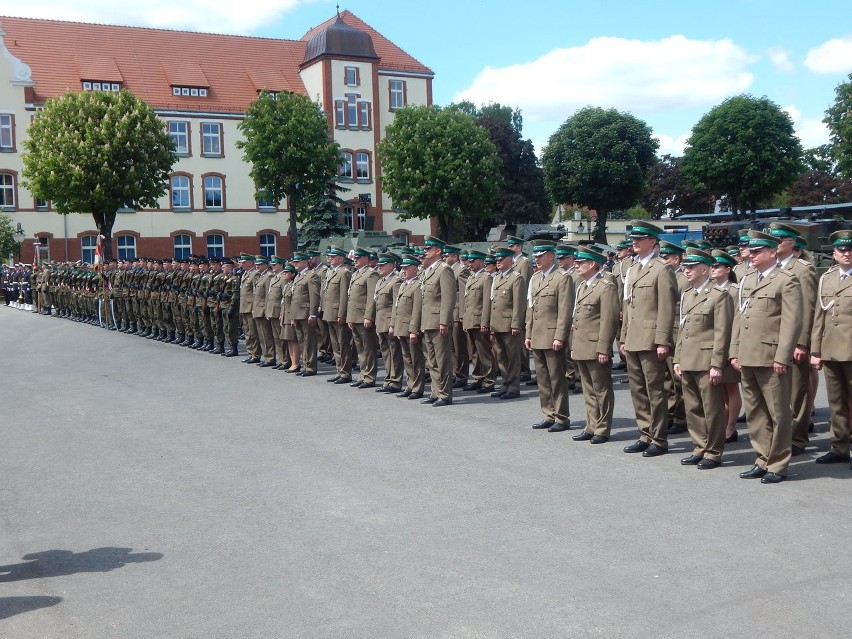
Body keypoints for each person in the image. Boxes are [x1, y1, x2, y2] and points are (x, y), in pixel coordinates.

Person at [730, 231, 802, 484]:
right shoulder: (749, 278)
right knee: (756, 412)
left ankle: (778, 463)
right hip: (748, 354)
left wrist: (782, 356)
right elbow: (741, 318)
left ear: (773, 252)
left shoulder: (786, 280)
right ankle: (762, 458)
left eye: (757, 251)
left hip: (771, 357)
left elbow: (792, 322)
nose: (751, 255)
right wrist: (734, 351)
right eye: (751, 251)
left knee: (778, 412)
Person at [619, 221, 678, 457]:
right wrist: (623, 337)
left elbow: (666, 308)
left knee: (655, 390)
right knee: (638, 390)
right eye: (634, 238)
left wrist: (663, 340)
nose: (635, 242)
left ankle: (658, 438)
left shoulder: (662, 269)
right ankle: (644, 433)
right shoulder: (633, 269)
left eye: (640, 239)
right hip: (633, 337)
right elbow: (629, 306)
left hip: (651, 339)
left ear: (653, 241)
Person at [673, 249, 734, 470]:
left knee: (712, 409)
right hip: (688, 357)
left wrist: (717, 365)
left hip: (706, 360)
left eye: (691, 266)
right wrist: (677, 358)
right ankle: (699, 447)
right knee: (693, 408)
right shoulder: (688, 294)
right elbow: (683, 329)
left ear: (704, 269)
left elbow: (722, 333)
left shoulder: (719, 295)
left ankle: (714, 451)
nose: (686, 270)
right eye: (686, 266)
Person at [768, 222, 817, 456]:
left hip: (794, 339)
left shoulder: (802, 269)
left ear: (792, 244)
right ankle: (778, 437)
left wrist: (802, 342)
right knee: (777, 393)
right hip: (772, 340)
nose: (776, 245)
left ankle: (797, 437)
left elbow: (807, 308)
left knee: (797, 390)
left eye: (780, 240)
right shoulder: (770, 268)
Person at [810, 230, 852, 468]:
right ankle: (839, 447)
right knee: (836, 401)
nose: (846, 254)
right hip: (832, 349)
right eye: (842, 250)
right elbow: (820, 317)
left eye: (850, 250)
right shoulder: (827, 278)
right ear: (834, 254)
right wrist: (816, 350)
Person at [569, 247, 620, 444]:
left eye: (581, 262)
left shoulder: (605, 286)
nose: (576, 265)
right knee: (588, 388)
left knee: (601, 389)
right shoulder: (582, 286)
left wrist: (604, 348)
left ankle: (603, 428)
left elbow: (609, 320)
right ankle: (591, 425)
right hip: (581, 344)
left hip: (595, 346)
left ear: (592, 264)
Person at [525, 241, 574, 431]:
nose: (536, 259)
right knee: (542, 378)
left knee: (556, 378)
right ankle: (548, 413)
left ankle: (561, 417)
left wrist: (560, 336)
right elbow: (531, 309)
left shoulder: (562, 278)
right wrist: (528, 333)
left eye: (540, 255)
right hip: (537, 335)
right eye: (535, 256)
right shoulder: (535, 278)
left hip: (552, 335)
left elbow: (565, 310)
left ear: (551, 256)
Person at [484, 246, 527, 401]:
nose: (498, 262)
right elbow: (492, 303)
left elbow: (518, 304)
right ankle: (505, 384)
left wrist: (516, 324)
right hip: (497, 324)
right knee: (501, 357)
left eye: (501, 259)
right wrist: (490, 325)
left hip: (509, 325)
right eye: (497, 259)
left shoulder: (516, 278)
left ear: (510, 260)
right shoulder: (497, 278)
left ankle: (514, 387)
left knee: (512, 357)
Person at [419, 236, 457, 407]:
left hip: (437, 322)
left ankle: (445, 393)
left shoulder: (444, 270)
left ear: (438, 251)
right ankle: (435, 391)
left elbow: (448, 299)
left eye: (428, 248)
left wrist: (444, 321)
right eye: (425, 249)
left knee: (442, 360)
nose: (425, 251)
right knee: (431, 361)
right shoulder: (428, 270)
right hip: (427, 321)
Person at [709, 250, 742, 442]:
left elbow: (736, 320)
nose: (713, 270)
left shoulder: (735, 290)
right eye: (712, 266)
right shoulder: (711, 289)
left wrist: (733, 349)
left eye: (717, 266)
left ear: (727, 269)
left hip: (729, 343)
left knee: (730, 388)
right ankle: (721, 424)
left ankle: (730, 428)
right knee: (717, 389)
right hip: (713, 344)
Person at [461, 250, 496, 394]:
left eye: (473, 261)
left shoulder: (486, 278)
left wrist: (484, 322)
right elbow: (467, 300)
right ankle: (477, 378)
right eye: (469, 261)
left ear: (481, 261)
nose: (470, 264)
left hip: (479, 320)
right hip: (470, 319)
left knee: (484, 352)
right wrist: (464, 319)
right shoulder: (471, 278)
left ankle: (489, 381)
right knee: (474, 352)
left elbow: (487, 302)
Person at [390, 257, 425, 399]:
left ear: (415, 268)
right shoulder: (404, 285)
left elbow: (417, 310)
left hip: (410, 328)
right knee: (407, 359)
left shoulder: (417, 285)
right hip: (401, 327)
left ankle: (418, 387)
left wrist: (413, 329)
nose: (402, 271)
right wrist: (393, 325)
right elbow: (396, 307)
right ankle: (410, 385)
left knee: (416, 359)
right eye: (402, 268)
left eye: (406, 268)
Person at [346, 248, 379, 388]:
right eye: (355, 258)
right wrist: (349, 317)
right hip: (354, 316)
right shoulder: (355, 274)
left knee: (368, 348)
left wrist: (368, 316)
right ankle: (363, 374)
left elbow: (372, 297)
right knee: (360, 348)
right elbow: (351, 298)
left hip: (363, 317)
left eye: (358, 258)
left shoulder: (371, 274)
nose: (355, 260)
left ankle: (369, 377)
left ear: (366, 259)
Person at [321, 246, 353, 384]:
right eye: (329, 257)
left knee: (343, 343)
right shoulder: (330, 272)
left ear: (341, 258)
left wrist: (342, 313)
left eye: (332, 257)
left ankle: (345, 373)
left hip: (337, 313)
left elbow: (344, 296)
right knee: (335, 344)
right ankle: (339, 370)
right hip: (329, 312)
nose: (329, 259)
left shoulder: (343, 273)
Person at [373, 254, 403, 393]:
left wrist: (393, 324)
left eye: (382, 265)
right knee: (385, 352)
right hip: (380, 321)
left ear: (391, 266)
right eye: (378, 265)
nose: (379, 268)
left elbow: (396, 305)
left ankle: (396, 382)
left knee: (394, 352)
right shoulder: (380, 281)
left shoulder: (396, 281)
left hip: (389, 321)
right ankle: (388, 379)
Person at [290, 252, 321, 377]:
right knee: (302, 341)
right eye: (294, 262)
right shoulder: (298, 276)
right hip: (297, 313)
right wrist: (292, 315)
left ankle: (311, 367)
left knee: (309, 341)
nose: (295, 264)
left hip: (306, 313)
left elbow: (314, 296)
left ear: (304, 262)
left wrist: (313, 314)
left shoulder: (311, 276)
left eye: (297, 262)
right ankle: (305, 365)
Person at [251, 255, 276, 367]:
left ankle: (270, 357)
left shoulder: (268, 276)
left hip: (263, 309)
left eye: (259, 264)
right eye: (256, 264)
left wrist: (266, 310)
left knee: (266, 335)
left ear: (266, 265)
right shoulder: (261, 276)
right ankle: (266, 356)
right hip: (257, 309)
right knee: (261, 335)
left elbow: (268, 295)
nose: (257, 266)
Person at [238, 254, 260, 363]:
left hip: (250, 307)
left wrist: (254, 308)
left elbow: (256, 293)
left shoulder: (255, 274)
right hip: (244, 307)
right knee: (247, 331)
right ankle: (250, 353)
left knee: (252, 332)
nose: (241, 264)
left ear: (250, 262)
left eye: (243, 262)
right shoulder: (245, 274)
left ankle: (255, 354)